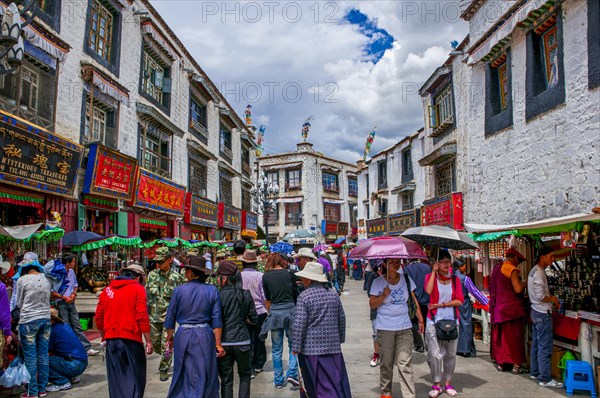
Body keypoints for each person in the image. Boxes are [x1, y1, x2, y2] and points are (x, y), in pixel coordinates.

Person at [165, 256, 222, 397]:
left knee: (183, 372)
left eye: (186, 271)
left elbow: (170, 318)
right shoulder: (212, 290)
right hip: (204, 335)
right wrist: (218, 344)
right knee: (205, 371)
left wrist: (169, 338)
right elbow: (217, 321)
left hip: (183, 334)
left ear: (190, 273)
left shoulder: (179, 290)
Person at [293, 262, 352, 397]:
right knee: (335, 382)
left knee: (317, 385)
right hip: (332, 347)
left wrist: (296, 346)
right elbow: (341, 319)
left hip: (311, 349)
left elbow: (300, 324)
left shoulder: (304, 296)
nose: (302, 280)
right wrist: (340, 339)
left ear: (308, 279)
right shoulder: (333, 295)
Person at [95, 262, 152, 398]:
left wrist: (104, 336)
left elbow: (98, 317)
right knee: (135, 378)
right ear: (138, 278)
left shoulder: (107, 290)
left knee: (116, 379)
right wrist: (148, 340)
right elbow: (142, 316)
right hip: (131, 340)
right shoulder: (138, 290)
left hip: (111, 339)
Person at [369, 258, 423, 398]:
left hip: (404, 326)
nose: (396, 263)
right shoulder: (378, 282)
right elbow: (372, 304)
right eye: (392, 261)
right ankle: (386, 392)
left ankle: (409, 395)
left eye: (397, 260)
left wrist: (421, 319)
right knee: (386, 364)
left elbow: (413, 299)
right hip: (385, 327)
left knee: (405, 363)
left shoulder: (406, 278)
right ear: (385, 264)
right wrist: (383, 295)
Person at [424, 250, 464, 398]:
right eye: (443, 261)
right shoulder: (430, 277)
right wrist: (434, 273)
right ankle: (436, 383)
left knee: (451, 354)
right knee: (434, 354)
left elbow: (459, 300)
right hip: (433, 320)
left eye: (449, 261)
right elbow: (428, 291)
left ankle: (447, 382)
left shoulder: (455, 280)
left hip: (452, 320)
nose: (447, 264)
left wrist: (441, 305)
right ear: (437, 263)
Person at [216, 261, 258, 398]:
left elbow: (215, 320)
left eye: (219, 276)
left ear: (225, 278)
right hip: (243, 341)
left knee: (226, 380)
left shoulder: (218, 295)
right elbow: (254, 319)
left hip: (224, 343)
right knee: (245, 375)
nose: (217, 279)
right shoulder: (245, 294)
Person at [146, 247, 186, 381]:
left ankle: (164, 367)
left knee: (167, 344)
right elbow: (146, 295)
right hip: (153, 316)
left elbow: (182, 297)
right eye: (157, 261)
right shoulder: (151, 276)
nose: (158, 264)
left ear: (169, 260)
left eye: (161, 261)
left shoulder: (177, 278)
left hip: (168, 319)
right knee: (157, 343)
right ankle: (164, 356)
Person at [260, 253, 299, 388]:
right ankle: (292, 373)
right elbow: (295, 294)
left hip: (275, 312)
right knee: (293, 345)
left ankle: (278, 380)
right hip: (290, 311)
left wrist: (271, 312)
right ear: (282, 261)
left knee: (276, 349)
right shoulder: (290, 274)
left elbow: (267, 299)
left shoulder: (266, 276)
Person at [528, 246, 563, 388]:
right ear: (542, 257)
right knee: (544, 347)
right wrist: (553, 299)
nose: (552, 259)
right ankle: (545, 378)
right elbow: (541, 296)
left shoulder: (535, 271)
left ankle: (535, 372)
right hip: (542, 313)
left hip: (535, 312)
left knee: (537, 344)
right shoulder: (539, 273)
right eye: (551, 256)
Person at [16, 258, 51, 398]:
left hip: (29, 321)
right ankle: (42, 389)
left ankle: (32, 392)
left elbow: (18, 303)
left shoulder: (22, 281)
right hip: (46, 320)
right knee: (43, 356)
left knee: (30, 358)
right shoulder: (45, 279)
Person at [489, 248, 528, 373]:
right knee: (514, 338)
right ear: (514, 259)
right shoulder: (512, 269)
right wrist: (526, 283)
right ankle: (516, 365)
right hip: (511, 310)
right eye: (518, 261)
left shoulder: (497, 269)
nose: (518, 264)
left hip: (499, 308)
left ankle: (502, 363)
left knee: (502, 338)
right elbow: (517, 289)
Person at [52, 253, 98, 356]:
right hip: (62, 302)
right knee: (66, 326)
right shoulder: (57, 273)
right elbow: (52, 291)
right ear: (67, 263)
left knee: (77, 325)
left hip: (71, 301)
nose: (74, 263)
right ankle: (69, 349)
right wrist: (64, 297)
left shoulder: (71, 272)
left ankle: (86, 347)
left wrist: (73, 294)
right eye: (72, 261)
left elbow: (75, 285)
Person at [239, 250, 268, 377]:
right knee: (259, 339)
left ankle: (249, 366)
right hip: (260, 311)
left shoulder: (239, 276)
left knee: (246, 340)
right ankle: (258, 364)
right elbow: (264, 295)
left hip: (243, 313)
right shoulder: (261, 276)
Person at [46, 308, 87, 392]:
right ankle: (71, 376)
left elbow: (46, 350)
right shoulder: (64, 326)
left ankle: (61, 382)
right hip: (81, 361)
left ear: (51, 320)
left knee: (42, 361)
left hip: (74, 364)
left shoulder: (53, 330)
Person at [454, 260, 489, 358]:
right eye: (464, 266)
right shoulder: (465, 279)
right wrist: (486, 302)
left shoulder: (450, 277)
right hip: (463, 303)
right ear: (460, 267)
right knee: (466, 325)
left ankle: (458, 348)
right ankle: (468, 349)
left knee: (457, 325)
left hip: (452, 303)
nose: (465, 268)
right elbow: (474, 292)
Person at [404, 259, 432, 353]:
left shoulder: (407, 269)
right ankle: (428, 343)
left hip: (414, 298)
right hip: (427, 297)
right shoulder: (427, 267)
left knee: (414, 321)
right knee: (426, 320)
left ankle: (419, 344)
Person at [366, 263, 382, 367]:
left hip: (390, 311)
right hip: (376, 310)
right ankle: (376, 354)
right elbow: (369, 294)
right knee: (376, 333)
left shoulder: (394, 277)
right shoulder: (373, 277)